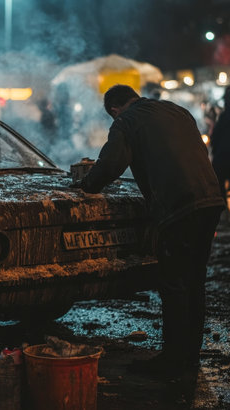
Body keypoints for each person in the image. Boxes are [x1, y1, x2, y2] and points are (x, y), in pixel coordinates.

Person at [73, 84, 225, 377]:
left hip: (179, 206)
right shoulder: (175, 110)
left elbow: (111, 163)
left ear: (115, 110)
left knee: (174, 283)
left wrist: (87, 185)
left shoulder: (125, 121)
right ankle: (189, 358)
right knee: (194, 281)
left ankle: (172, 362)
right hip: (211, 200)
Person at [211, 86, 230, 211]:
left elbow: (214, 138)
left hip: (224, 158)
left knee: (216, 178)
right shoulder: (223, 116)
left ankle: (222, 208)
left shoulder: (224, 116)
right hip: (224, 156)